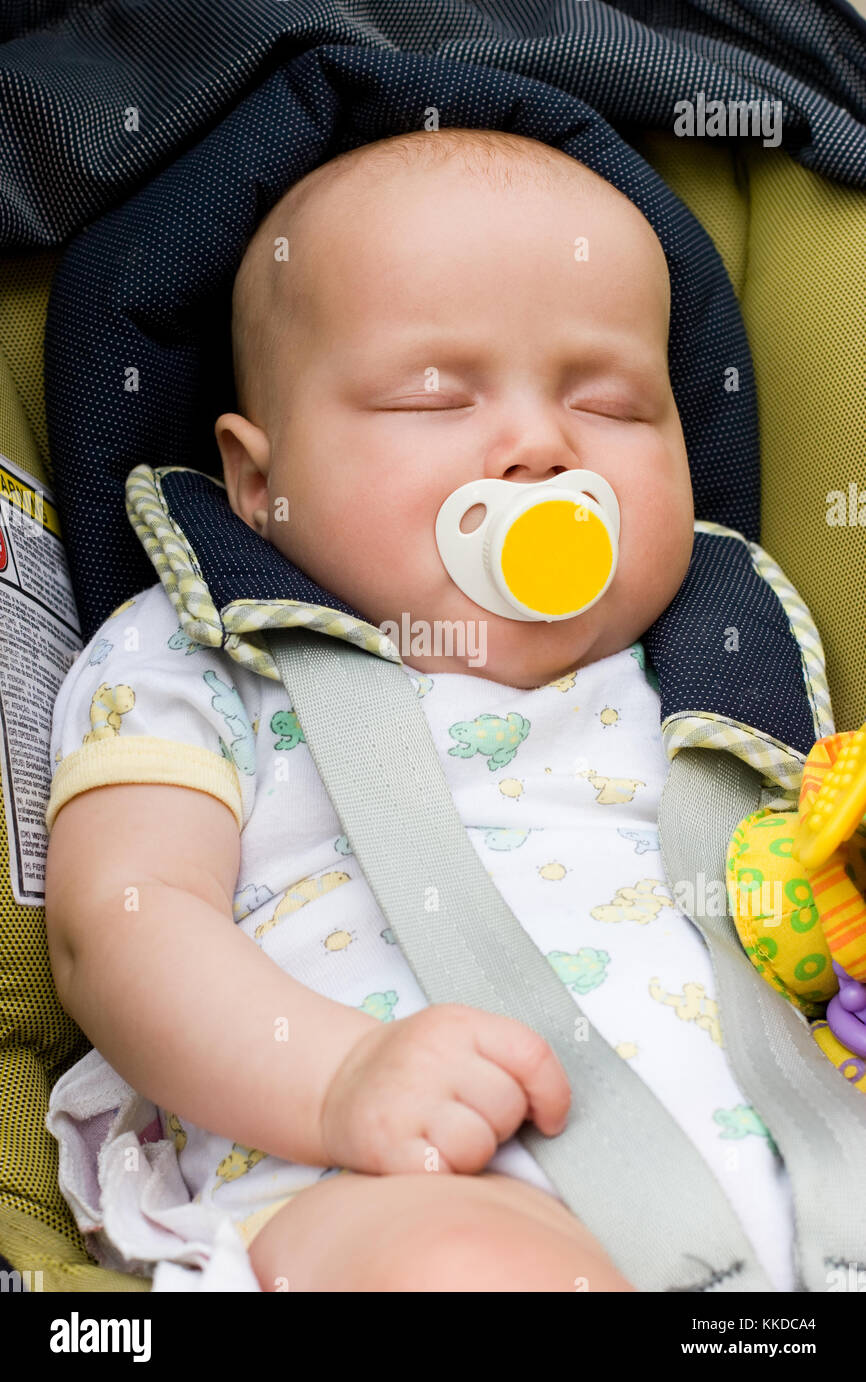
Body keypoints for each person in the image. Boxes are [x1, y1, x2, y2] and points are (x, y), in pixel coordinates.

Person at [43, 128, 793, 1292]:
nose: (541, 445)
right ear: (258, 479)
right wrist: (340, 1082)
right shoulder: (203, 655)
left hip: (805, 1184)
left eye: (609, 404)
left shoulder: (720, 672)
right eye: (433, 397)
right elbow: (122, 924)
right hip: (391, 1180)